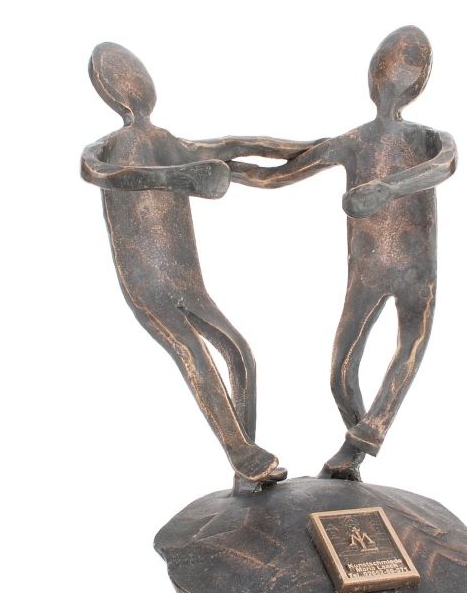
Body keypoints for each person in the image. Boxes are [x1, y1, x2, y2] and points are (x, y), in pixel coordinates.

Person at [81, 42, 316, 486]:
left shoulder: (167, 142)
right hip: (146, 284)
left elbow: (233, 147)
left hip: (188, 282)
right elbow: (97, 172)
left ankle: (248, 471)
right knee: (191, 350)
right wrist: (179, 177)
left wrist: (310, 151)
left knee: (239, 352)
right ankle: (240, 451)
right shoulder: (108, 148)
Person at [230, 26, 457, 480]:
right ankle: (356, 449)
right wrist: (226, 167)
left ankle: (367, 434)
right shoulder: (354, 141)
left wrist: (387, 188)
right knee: (341, 372)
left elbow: (445, 165)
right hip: (367, 272)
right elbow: (286, 168)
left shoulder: (429, 138)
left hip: (416, 269)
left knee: (410, 342)